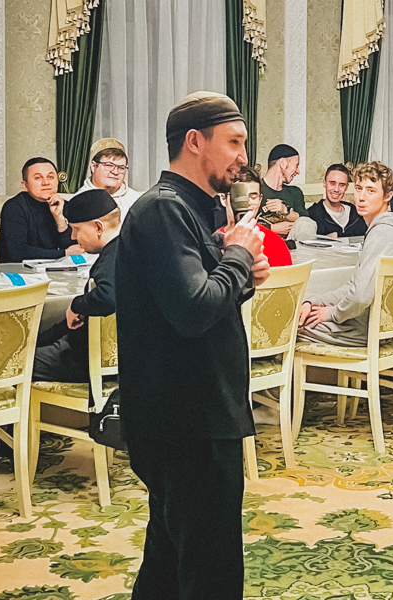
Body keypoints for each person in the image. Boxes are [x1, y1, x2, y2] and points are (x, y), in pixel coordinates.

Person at [116, 91, 269, 599]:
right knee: (210, 570)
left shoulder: (190, 208)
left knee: (169, 562)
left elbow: (194, 302)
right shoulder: (164, 209)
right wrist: (238, 259)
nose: (243, 157)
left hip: (192, 413)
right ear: (194, 142)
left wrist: (240, 274)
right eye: (234, 143)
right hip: (187, 421)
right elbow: (194, 310)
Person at [298, 161, 393, 347]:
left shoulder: (382, 233)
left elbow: (360, 297)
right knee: (303, 312)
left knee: (287, 324)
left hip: (365, 330)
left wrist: (332, 313)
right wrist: (315, 302)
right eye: (358, 188)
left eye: (371, 191)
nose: (361, 197)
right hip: (382, 325)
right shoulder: (392, 228)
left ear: (388, 196)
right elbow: (354, 288)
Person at [32, 189, 120, 383]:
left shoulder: (112, 258)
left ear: (98, 227)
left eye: (76, 229)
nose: (73, 236)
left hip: (86, 359)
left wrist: (76, 304)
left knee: (14, 364)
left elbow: (108, 297)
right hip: (128, 359)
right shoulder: (134, 248)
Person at [0, 158, 83, 262]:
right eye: (37, 178)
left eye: (50, 177)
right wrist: (64, 253)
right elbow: (18, 253)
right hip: (16, 269)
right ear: (25, 185)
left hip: (57, 268)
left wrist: (60, 220)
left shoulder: (65, 205)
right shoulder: (14, 207)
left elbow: (76, 248)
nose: (46, 182)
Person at [225, 166, 292, 267]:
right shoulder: (209, 241)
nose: (248, 203)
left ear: (260, 200)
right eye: (240, 196)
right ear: (224, 199)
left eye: (253, 197)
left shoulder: (275, 244)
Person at [260, 144, 316, 239]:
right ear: (282, 163)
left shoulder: (295, 192)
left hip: (291, 244)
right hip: (262, 242)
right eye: (296, 165)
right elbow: (242, 222)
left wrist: (285, 211)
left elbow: (305, 222)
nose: (298, 171)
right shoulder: (255, 188)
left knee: (307, 223)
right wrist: (271, 228)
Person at [76, 138, 143, 218]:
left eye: (121, 167)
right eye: (109, 165)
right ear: (93, 166)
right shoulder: (79, 200)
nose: (115, 172)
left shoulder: (135, 199)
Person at [307, 163, 367, 237]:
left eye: (342, 185)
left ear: (346, 187)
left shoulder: (357, 213)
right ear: (324, 183)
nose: (336, 189)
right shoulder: (312, 214)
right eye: (332, 183)